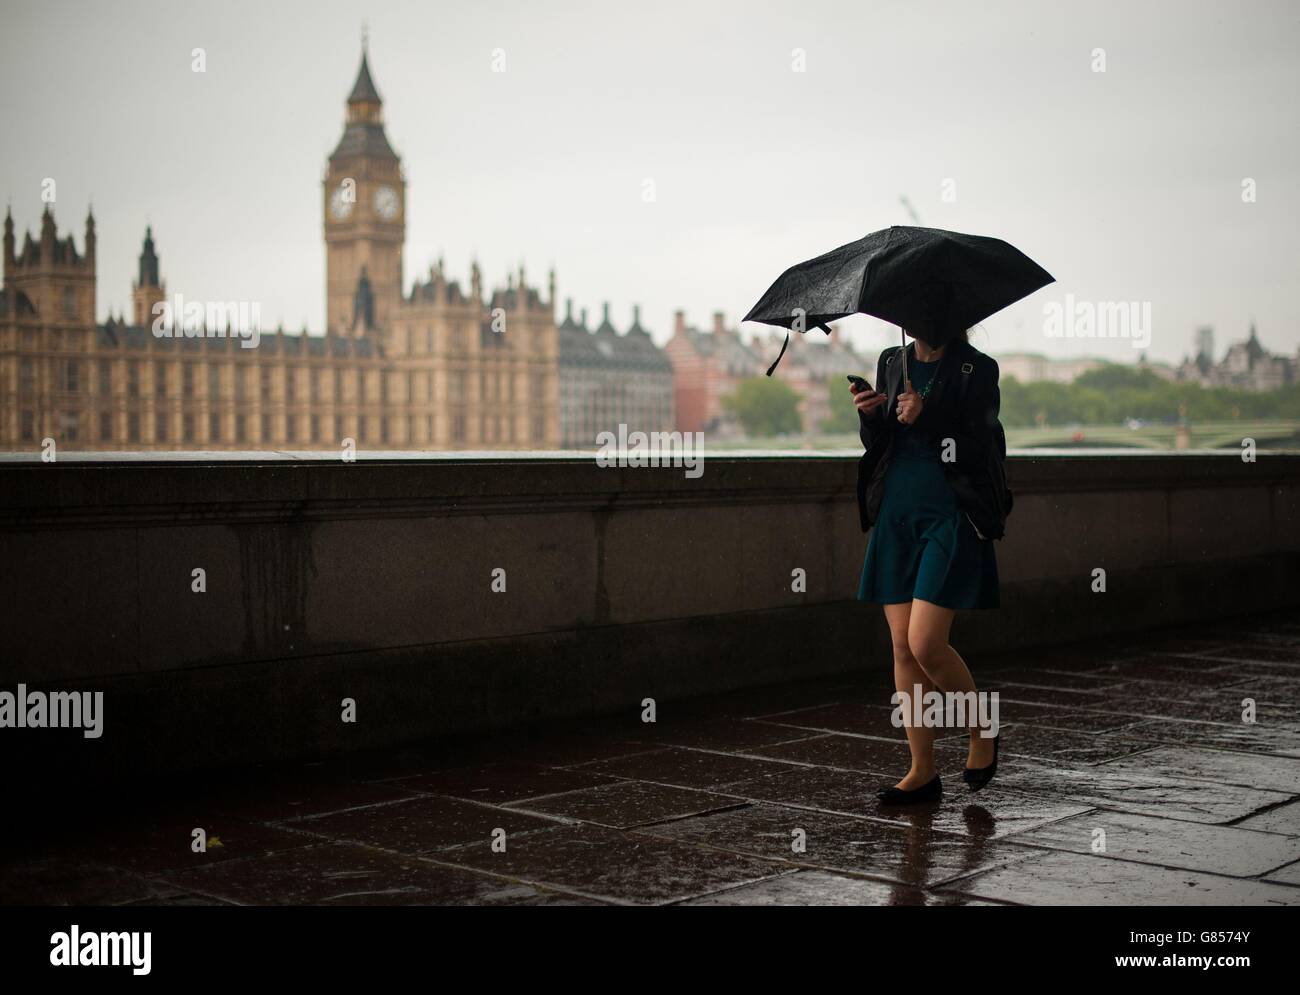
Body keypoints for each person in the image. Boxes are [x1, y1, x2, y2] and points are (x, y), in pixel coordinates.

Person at [850, 324, 1005, 803]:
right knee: (901, 647)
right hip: (897, 510)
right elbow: (879, 443)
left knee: (925, 642)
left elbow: (984, 444)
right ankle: (922, 770)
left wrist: (930, 414)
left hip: (949, 512)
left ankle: (983, 726)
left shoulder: (976, 368)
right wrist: (873, 417)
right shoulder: (891, 361)